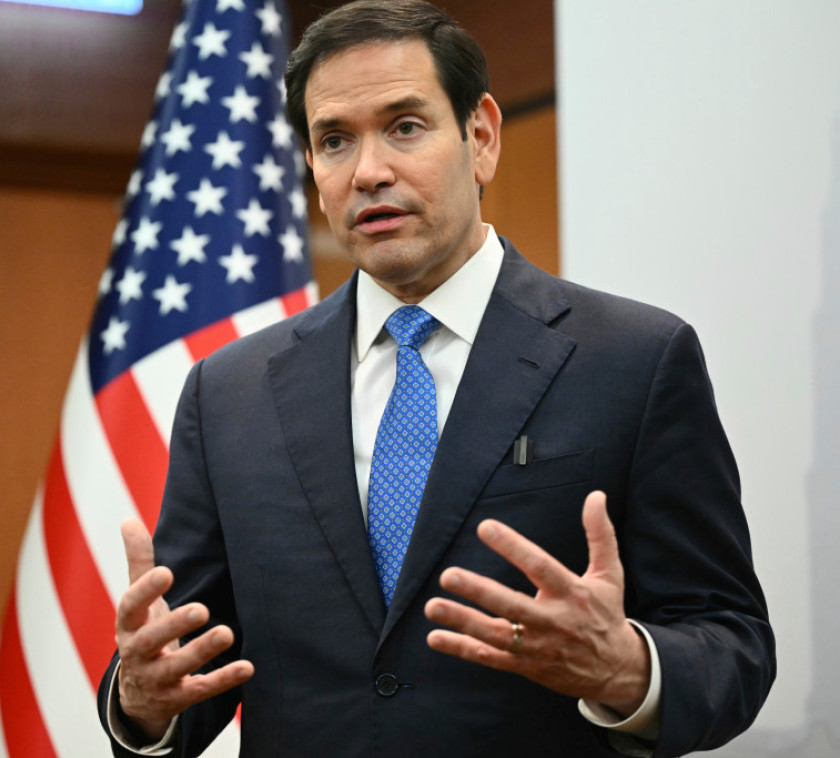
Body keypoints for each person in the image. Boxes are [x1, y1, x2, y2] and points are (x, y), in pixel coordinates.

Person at [98, 1, 775, 755]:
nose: (369, 172)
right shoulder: (229, 391)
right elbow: (189, 660)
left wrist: (626, 669)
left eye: (405, 127)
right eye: (334, 140)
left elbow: (733, 645)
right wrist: (141, 703)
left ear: (480, 137)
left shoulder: (635, 360)